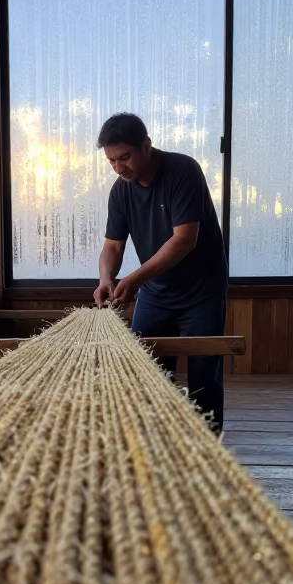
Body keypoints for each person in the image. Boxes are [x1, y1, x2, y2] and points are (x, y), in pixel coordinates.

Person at [92, 113, 229, 432]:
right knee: (145, 371)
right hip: (155, 293)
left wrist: (135, 278)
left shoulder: (182, 171)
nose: (118, 167)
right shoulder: (121, 191)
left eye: (124, 157)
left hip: (201, 292)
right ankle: (157, 444)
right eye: (111, 161)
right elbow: (112, 246)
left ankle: (207, 446)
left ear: (147, 146)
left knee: (203, 379)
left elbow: (184, 240)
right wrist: (105, 280)